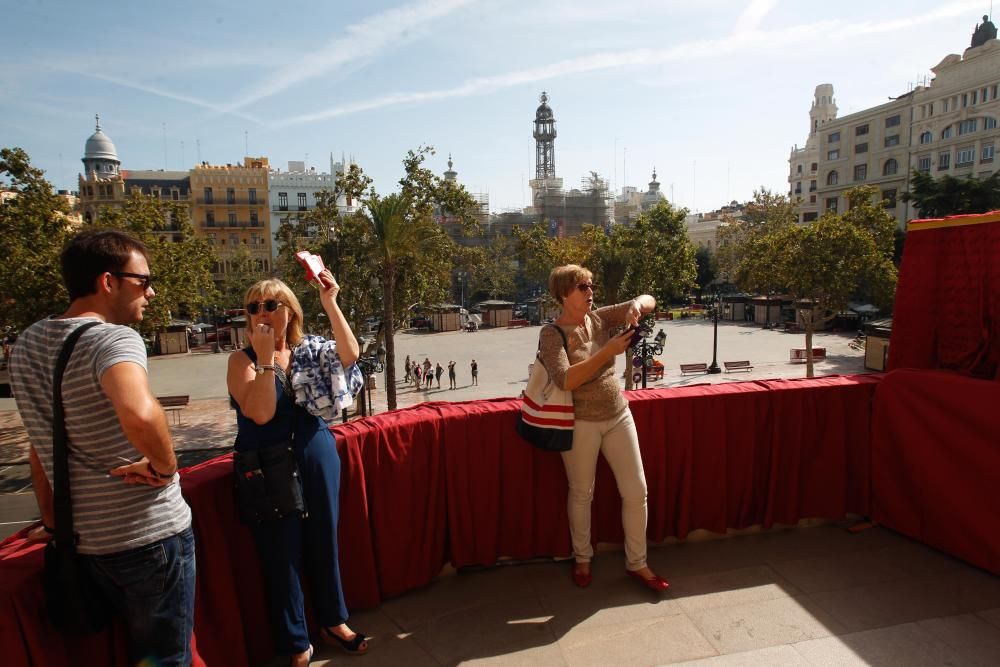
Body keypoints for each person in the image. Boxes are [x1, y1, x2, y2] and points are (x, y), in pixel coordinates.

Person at [9, 229, 195, 665]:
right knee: (167, 658)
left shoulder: (27, 344)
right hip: (148, 535)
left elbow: (42, 445)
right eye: (143, 281)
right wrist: (167, 468)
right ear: (107, 281)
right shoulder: (112, 339)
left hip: (87, 543)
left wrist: (55, 524)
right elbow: (141, 413)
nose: (151, 292)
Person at [227, 272, 369, 667]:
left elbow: (350, 355)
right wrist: (266, 358)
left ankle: (333, 620)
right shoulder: (241, 361)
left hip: (314, 452)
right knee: (281, 552)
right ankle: (295, 638)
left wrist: (331, 302)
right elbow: (261, 411)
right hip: (267, 465)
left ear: (290, 312)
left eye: (271, 305)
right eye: (253, 307)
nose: (261, 313)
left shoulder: (310, 349)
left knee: (324, 540)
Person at [537, 264, 668, 593]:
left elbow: (651, 299)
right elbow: (566, 379)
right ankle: (582, 557)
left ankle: (637, 563)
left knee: (637, 491)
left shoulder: (599, 318)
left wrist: (638, 304)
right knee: (582, 493)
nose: (590, 291)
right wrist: (607, 351)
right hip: (580, 423)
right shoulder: (552, 334)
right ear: (564, 294)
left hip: (618, 414)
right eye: (582, 287)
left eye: (591, 285)